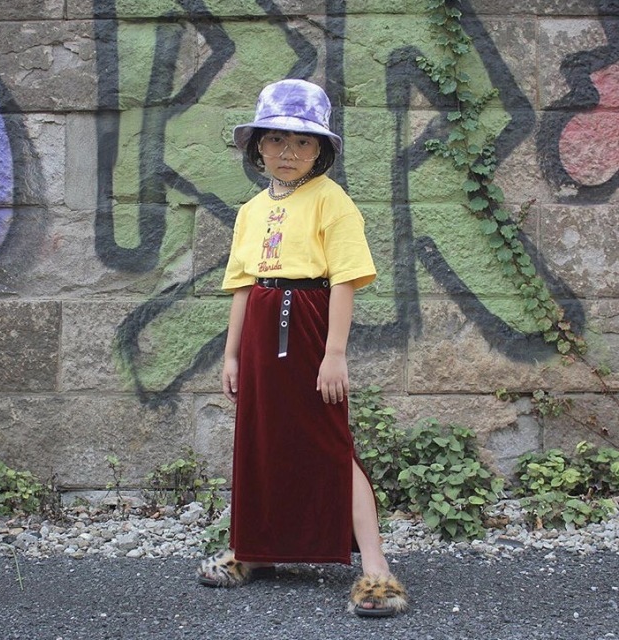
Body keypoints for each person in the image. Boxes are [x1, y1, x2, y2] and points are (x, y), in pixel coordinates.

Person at [197, 78, 408, 617]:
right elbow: (243, 286)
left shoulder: (331, 201)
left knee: (330, 442)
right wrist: (231, 354)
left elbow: (345, 278)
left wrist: (335, 353)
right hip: (261, 326)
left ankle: (376, 568)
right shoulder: (250, 210)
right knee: (260, 439)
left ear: (320, 151)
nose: (287, 152)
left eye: (302, 142)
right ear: (257, 146)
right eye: (275, 139)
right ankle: (254, 550)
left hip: (310, 325)